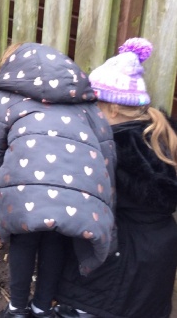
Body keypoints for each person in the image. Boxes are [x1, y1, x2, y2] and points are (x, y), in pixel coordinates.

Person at [0, 42, 117, 318]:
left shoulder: (1, 100)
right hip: (75, 193)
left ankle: (17, 309)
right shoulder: (84, 103)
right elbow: (106, 157)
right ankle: (42, 308)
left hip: (23, 191)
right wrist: (107, 218)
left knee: (24, 240)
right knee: (56, 241)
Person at [55, 37, 177, 318]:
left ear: (113, 108)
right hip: (156, 252)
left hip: (124, 256)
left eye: (93, 105)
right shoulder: (157, 136)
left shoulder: (116, 149)